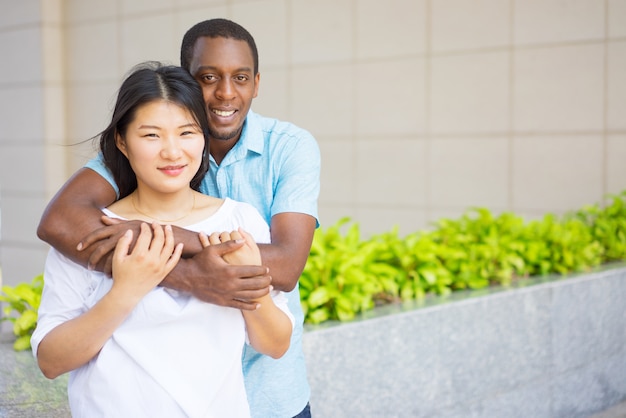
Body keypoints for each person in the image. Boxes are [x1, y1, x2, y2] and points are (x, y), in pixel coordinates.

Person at [36, 18, 320, 418]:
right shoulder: (103, 220)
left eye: (240, 77)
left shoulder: (267, 180)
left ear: (257, 83)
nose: (225, 92)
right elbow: (59, 223)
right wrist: (163, 278)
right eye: (208, 77)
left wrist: (156, 237)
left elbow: (286, 272)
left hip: (268, 394)